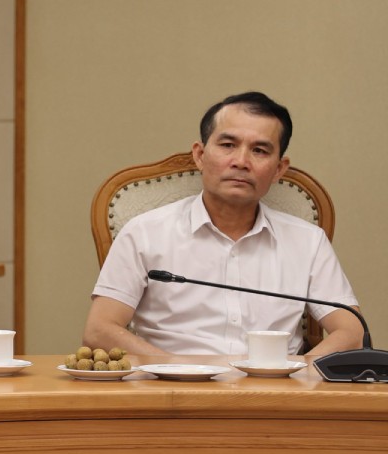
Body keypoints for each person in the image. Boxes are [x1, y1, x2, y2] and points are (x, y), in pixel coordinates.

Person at [83, 91, 363, 357]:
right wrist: (176, 369)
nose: (241, 162)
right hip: (170, 392)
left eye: (260, 150)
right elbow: (99, 330)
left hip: (274, 394)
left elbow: (350, 331)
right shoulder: (145, 232)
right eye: (228, 145)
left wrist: (300, 374)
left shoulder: (308, 241)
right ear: (200, 155)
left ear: (279, 169)